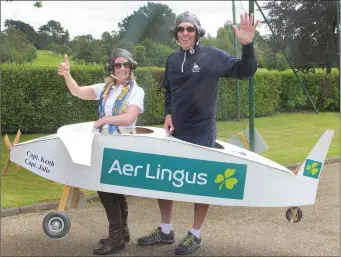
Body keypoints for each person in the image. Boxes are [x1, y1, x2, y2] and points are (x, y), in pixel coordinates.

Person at [137, 11, 259, 255]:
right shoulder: (172, 60)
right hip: (176, 132)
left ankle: (195, 234)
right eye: (180, 29)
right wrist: (169, 113)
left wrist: (247, 46)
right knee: (164, 180)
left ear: (198, 32)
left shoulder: (212, 56)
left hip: (202, 132)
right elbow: (168, 91)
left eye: (189, 29)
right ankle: (165, 230)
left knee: (200, 184)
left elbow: (245, 71)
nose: (185, 33)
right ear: (176, 34)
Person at [58, 48, 145, 255]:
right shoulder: (106, 88)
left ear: (131, 67)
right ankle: (121, 234)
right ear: (112, 67)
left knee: (107, 190)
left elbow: (129, 118)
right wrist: (67, 75)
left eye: (125, 64)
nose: (122, 68)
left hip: (121, 144)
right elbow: (77, 91)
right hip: (105, 143)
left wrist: (104, 120)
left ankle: (116, 238)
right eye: (117, 64)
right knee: (112, 190)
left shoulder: (136, 91)